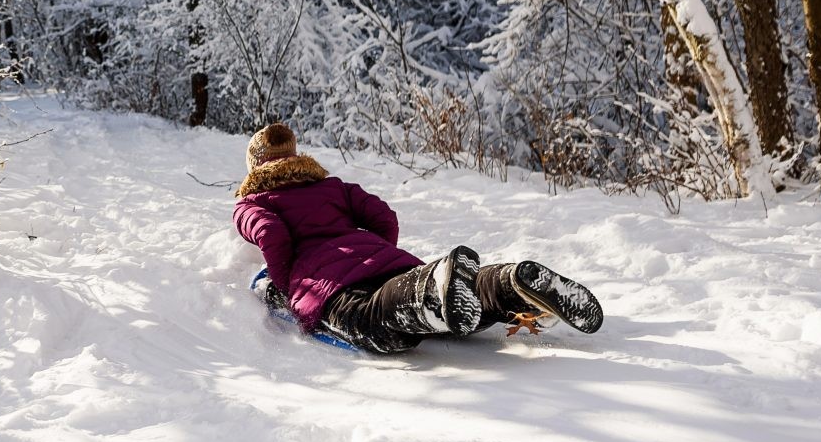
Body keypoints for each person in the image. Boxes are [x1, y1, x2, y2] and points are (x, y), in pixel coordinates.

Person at [235, 122, 603, 354]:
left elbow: (272, 234)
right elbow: (383, 217)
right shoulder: (332, 185)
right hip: (388, 262)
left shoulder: (253, 201)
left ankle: (431, 290)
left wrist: (284, 286)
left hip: (328, 285)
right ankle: (506, 283)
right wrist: (378, 256)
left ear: (255, 166)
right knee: (454, 313)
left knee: (375, 322)